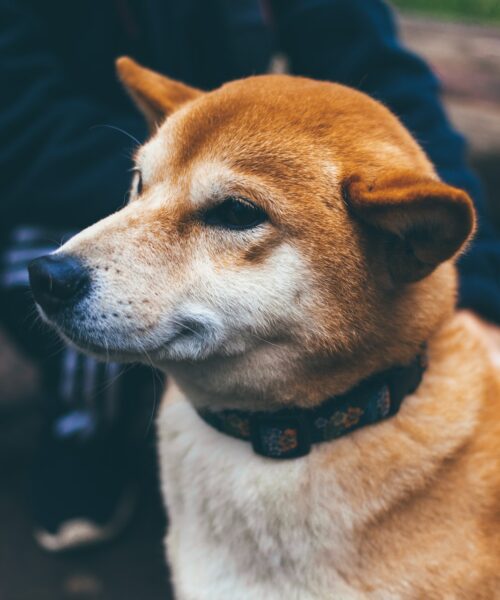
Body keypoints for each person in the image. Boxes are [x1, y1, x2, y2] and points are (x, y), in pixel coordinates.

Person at [1, 0, 499, 551]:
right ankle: (82, 427)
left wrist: (473, 287)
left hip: (216, 148)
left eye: (234, 213)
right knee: (55, 274)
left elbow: (381, 72)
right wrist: (190, 159)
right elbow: (16, 117)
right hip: (54, 169)